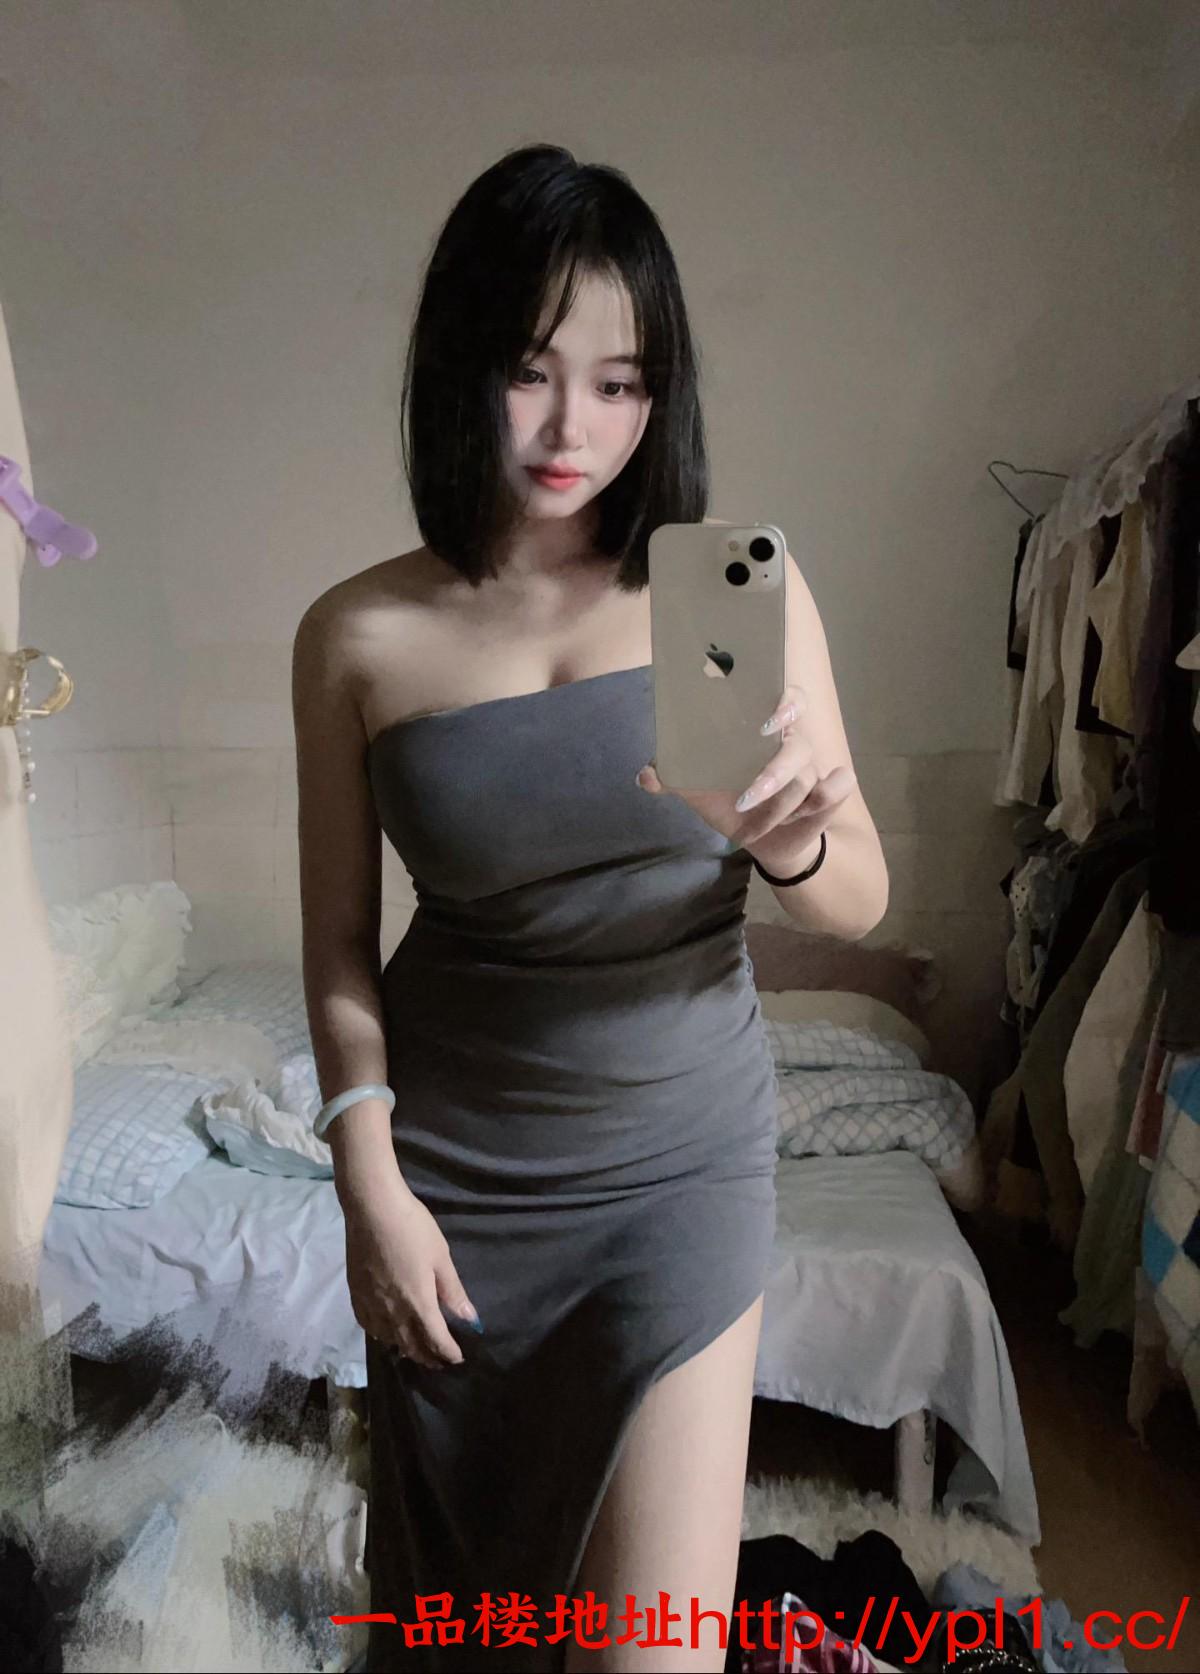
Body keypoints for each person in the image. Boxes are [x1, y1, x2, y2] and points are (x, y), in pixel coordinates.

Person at [290, 143, 888, 1674]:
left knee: (652, 1650)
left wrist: (787, 841)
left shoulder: (731, 592)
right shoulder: (357, 634)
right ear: (460, 366)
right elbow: (340, 944)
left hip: (682, 1161)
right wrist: (368, 1180)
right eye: (532, 371)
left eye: (620, 383)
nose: (575, 429)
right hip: (454, 1185)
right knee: (462, 1627)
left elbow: (864, 896)